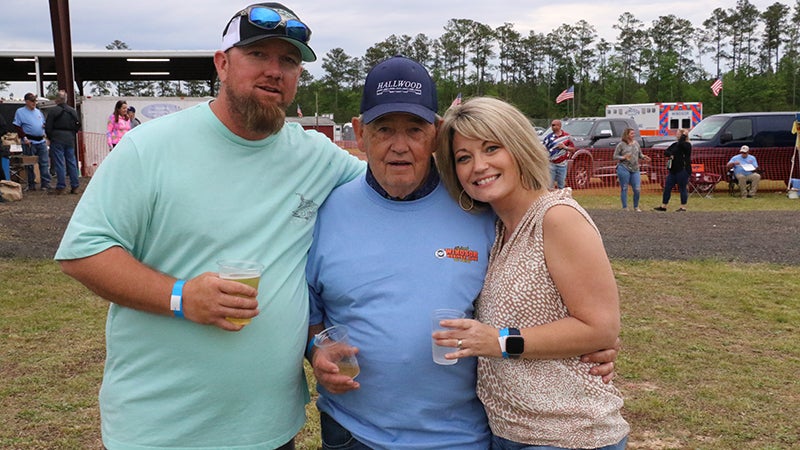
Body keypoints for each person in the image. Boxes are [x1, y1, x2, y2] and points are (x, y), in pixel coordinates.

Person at [55, 3, 365, 449]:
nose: (275, 71)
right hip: (163, 427)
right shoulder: (151, 147)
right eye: (258, 55)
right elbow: (84, 252)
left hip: (269, 427)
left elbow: (393, 186)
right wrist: (181, 297)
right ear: (222, 63)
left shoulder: (315, 156)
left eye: (289, 61)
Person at [306, 59, 618, 450]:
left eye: (414, 130)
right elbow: (308, 308)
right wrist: (317, 349)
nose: (399, 145)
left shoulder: (481, 210)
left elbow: (581, 313)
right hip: (353, 433)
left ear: (435, 134)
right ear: (359, 132)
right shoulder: (325, 211)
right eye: (384, 129)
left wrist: (593, 342)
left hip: (462, 437)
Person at [434, 97, 629, 450]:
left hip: (567, 435)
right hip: (508, 432)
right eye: (464, 157)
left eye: (491, 148)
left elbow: (600, 326)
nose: (478, 166)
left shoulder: (557, 218)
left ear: (520, 146)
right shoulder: (495, 227)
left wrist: (500, 341)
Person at [44, 90, 81, 195]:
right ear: (66, 99)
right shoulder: (72, 111)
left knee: (60, 163)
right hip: (69, 138)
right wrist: (72, 134)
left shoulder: (53, 111)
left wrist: (50, 137)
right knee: (71, 162)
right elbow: (77, 125)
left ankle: (61, 186)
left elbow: (48, 126)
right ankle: (75, 186)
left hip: (57, 138)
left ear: (57, 100)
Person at [13, 92, 51, 191]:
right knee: (29, 164)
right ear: (26, 101)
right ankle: (31, 184)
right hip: (29, 141)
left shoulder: (38, 112)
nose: (34, 103)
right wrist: (24, 138)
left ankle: (45, 183)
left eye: (35, 101)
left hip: (41, 140)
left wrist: (45, 135)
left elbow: (43, 124)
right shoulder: (20, 112)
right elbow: (17, 126)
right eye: (32, 101)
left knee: (44, 163)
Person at [654, 128, 691, 212]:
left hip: (682, 169)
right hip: (673, 170)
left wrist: (684, 135)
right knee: (667, 187)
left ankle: (683, 206)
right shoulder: (675, 144)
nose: (676, 134)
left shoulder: (687, 145)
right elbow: (666, 152)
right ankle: (664, 205)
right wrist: (670, 154)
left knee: (682, 188)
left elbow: (681, 144)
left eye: (678, 133)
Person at [614, 127, 650, 211]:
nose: (633, 135)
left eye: (634, 133)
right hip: (624, 168)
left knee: (637, 188)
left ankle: (636, 206)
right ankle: (625, 207)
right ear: (627, 135)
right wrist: (623, 157)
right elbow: (615, 156)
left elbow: (640, 154)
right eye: (631, 133)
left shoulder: (636, 144)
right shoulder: (621, 145)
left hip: (635, 168)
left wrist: (644, 157)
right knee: (624, 187)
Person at [541, 119, 574, 189]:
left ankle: (560, 199)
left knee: (561, 185)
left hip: (562, 164)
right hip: (551, 164)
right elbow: (543, 148)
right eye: (551, 125)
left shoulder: (567, 137)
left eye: (553, 125)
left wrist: (564, 147)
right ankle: (550, 198)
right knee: (549, 185)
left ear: (559, 126)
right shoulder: (548, 137)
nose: (552, 127)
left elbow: (573, 149)